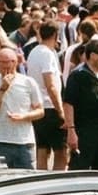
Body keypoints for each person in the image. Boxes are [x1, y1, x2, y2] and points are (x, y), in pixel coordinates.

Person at [63, 39, 98, 174]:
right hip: (84, 130)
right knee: (78, 170)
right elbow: (68, 103)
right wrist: (71, 131)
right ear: (93, 55)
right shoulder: (78, 75)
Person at [0, 45, 43, 169]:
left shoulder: (28, 82)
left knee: (26, 180)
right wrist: (2, 89)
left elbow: (40, 110)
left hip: (24, 141)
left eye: (8, 62)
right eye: (1, 62)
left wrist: (24, 116)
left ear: (15, 62)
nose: (5, 66)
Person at [27, 22, 68, 171]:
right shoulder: (47, 54)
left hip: (37, 106)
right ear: (55, 36)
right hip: (50, 107)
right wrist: (61, 110)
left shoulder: (33, 52)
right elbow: (51, 85)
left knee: (42, 149)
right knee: (61, 151)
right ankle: (58, 183)